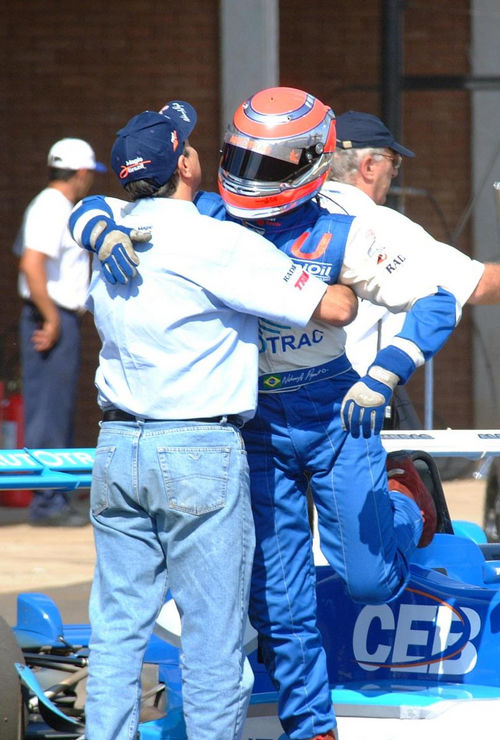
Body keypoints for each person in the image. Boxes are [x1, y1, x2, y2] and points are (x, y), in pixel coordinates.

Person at [70, 87, 453, 740]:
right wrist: (95, 222)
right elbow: (336, 307)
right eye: (241, 158)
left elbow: (437, 295)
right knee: (275, 605)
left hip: (327, 412)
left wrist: (386, 373)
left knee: (367, 580)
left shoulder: (340, 226)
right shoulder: (218, 228)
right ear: (194, 166)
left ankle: (407, 502)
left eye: (268, 163)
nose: (254, 177)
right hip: (243, 431)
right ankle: (312, 727)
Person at [319, 110, 500, 385]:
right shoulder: (376, 222)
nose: (394, 171)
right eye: (394, 160)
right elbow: (478, 285)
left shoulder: (295, 214)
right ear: (368, 166)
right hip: (355, 392)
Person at [13, 137, 106, 526]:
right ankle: (47, 503)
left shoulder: (50, 205)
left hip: (54, 315)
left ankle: (55, 498)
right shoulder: (51, 206)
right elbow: (31, 265)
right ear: (81, 173)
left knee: (57, 408)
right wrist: (51, 318)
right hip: (49, 317)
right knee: (48, 412)